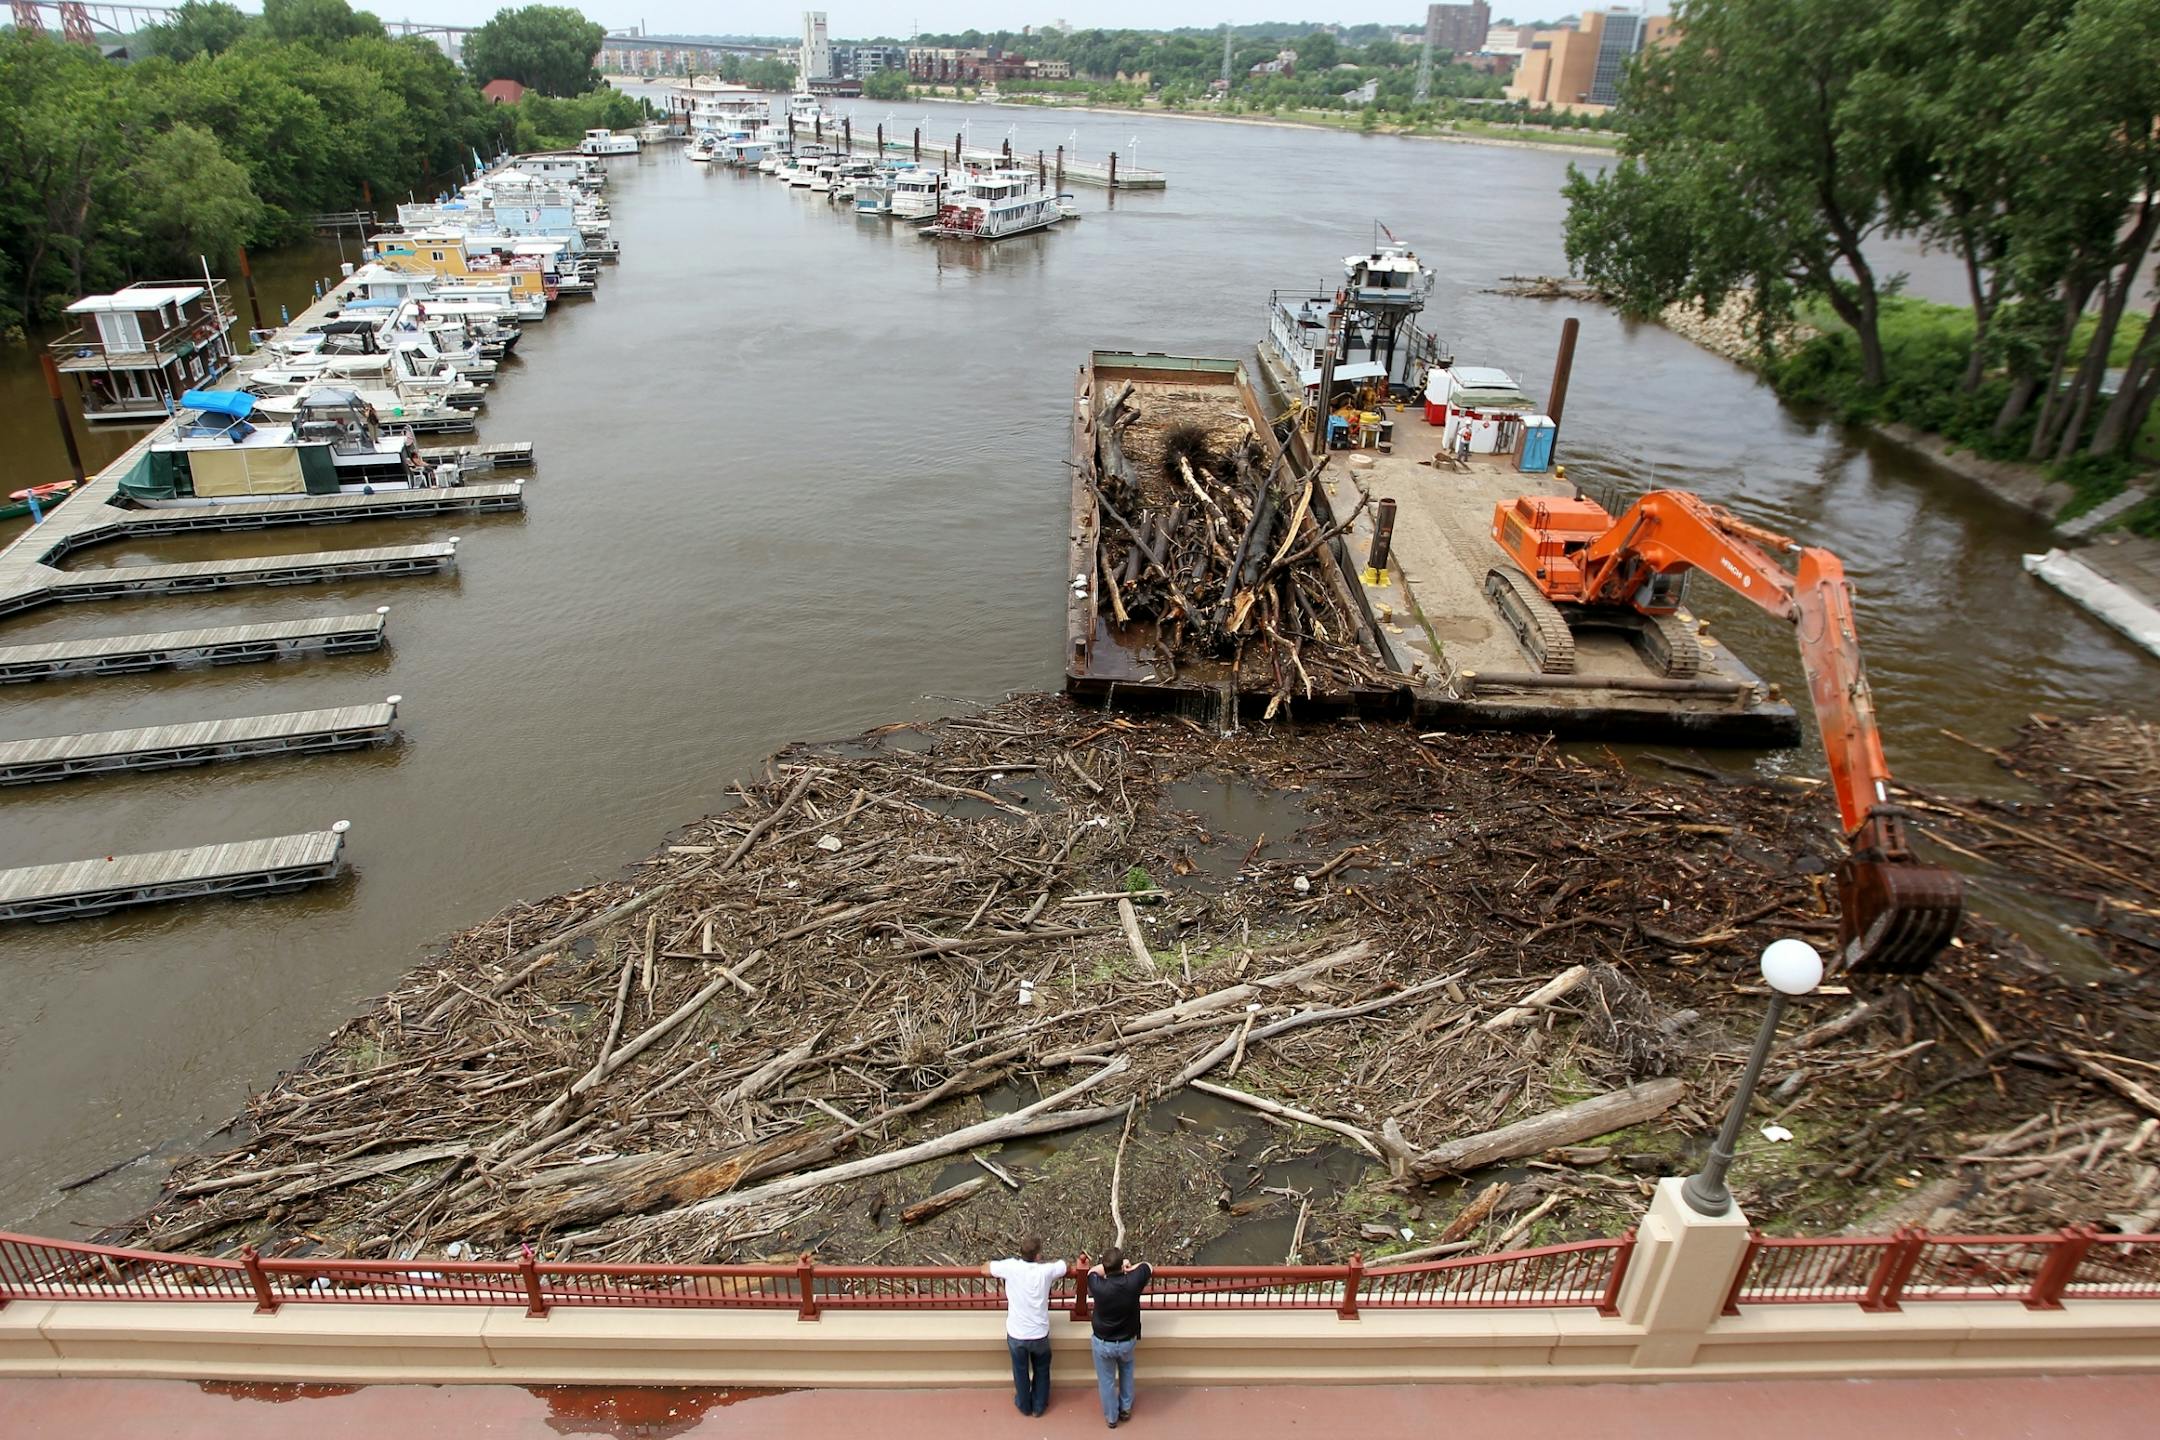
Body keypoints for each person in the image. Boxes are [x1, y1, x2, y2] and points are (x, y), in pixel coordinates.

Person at [984, 1235, 1066, 1417]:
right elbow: (1063, 1266)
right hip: (1039, 1334)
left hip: (1017, 1333)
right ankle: (1039, 1406)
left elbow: (985, 1269)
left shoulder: (1011, 1267)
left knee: (1020, 1371)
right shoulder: (1046, 1271)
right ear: (1038, 1256)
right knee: (1042, 1370)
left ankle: (1023, 1404)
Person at [1087, 1247, 1152, 1428]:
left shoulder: (1098, 1286)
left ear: (1105, 1268)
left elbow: (1092, 1271)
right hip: (1127, 1340)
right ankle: (1125, 1408)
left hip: (1102, 1342)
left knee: (1106, 1380)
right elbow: (1148, 1266)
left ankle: (1111, 1418)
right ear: (1122, 1267)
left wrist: (1112, 1266)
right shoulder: (1133, 1282)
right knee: (1127, 1371)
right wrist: (1129, 1267)